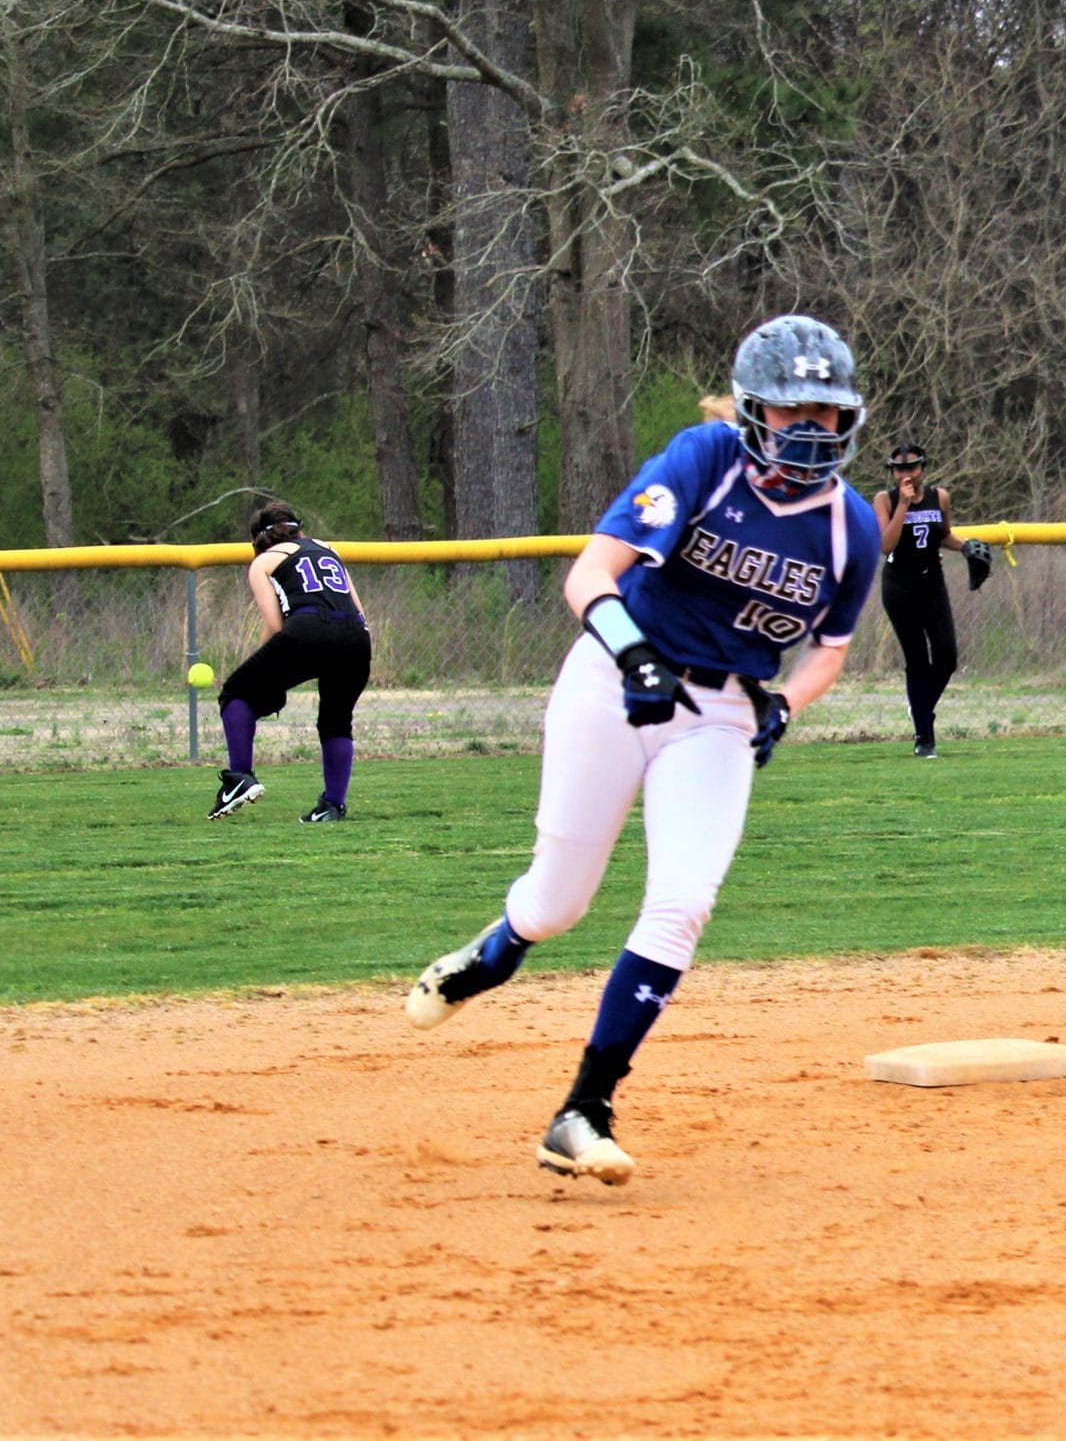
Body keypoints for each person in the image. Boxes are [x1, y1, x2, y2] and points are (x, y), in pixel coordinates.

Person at [400, 314, 880, 1184]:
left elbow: (833, 648)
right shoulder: (703, 459)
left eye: (827, 413)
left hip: (718, 714)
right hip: (611, 681)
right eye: (792, 412)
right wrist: (635, 655)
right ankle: (497, 949)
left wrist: (784, 706)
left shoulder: (850, 528)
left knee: (684, 901)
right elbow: (589, 573)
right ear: (752, 410)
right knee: (557, 906)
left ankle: (584, 1107)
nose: (812, 430)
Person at [207, 502, 372, 822]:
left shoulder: (263, 562)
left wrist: (264, 674)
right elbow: (358, 608)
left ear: (257, 539)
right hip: (357, 636)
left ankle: (239, 778)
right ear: (298, 529)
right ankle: (332, 806)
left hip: (307, 630)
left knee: (236, 692)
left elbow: (275, 625)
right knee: (336, 720)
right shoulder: (327, 549)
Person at [871, 444, 989, 758]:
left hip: (931, 582)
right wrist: (903, 507)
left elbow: (943, 534)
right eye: (899, 469)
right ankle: (925, 737)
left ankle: (920, 711)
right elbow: (885, 545)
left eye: (912, 468)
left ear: (923, 468)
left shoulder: (941, 497)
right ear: (892, 472)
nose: (906, 474)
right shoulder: (885, 500)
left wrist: (964, 547)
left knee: (947, 657)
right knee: (918, 662)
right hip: (899, 585)